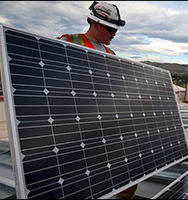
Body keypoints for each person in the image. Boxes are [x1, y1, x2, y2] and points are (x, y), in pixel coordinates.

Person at [57, 2, 137, 199]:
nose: (114, 34)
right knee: (80, 180)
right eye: (110, 29)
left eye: (115, 30)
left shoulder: (111, 55)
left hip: (105, 124)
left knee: (127, 177)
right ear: (96, 24)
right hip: (76, 127)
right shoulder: (69, 42)